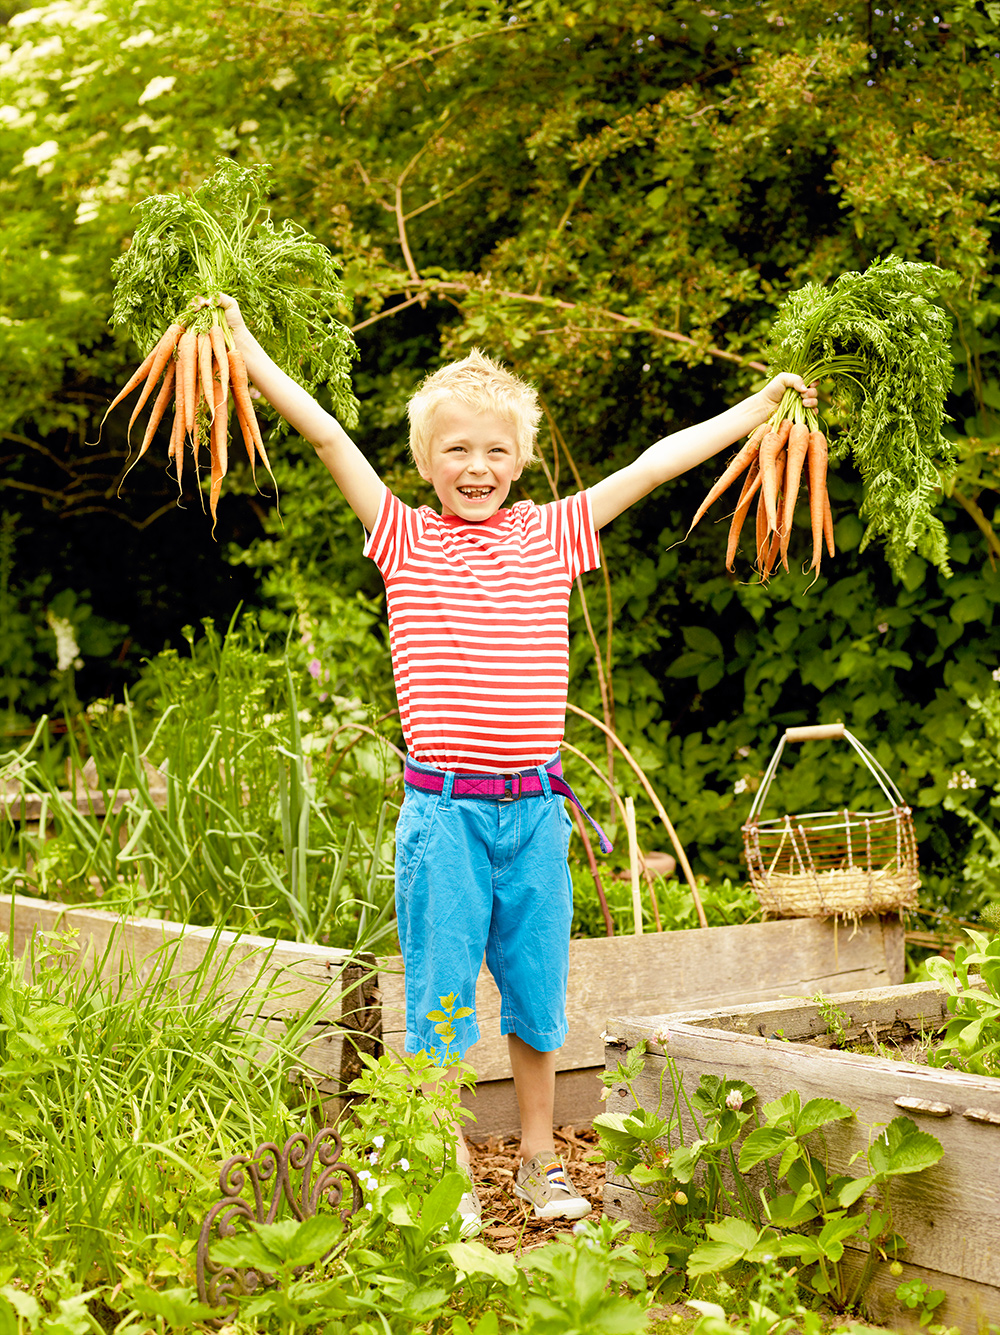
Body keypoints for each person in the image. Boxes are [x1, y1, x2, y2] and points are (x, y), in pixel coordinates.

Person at [212, 293, 817, 1233]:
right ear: (424, 463)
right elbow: (328, 434)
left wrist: (759, 406)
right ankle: (437, 1162)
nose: (477, 466)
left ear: (523, 458)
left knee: (538, 996)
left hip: (533, 815)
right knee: (441, 1001)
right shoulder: (403, 539)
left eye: (495, 449)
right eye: (455, 449)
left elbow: (655, 465)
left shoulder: (554, 534)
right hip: (444, 818)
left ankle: (538, 1159)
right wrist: (243, 340)